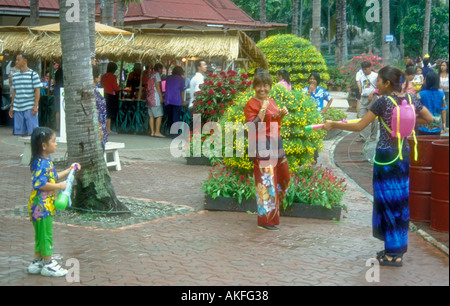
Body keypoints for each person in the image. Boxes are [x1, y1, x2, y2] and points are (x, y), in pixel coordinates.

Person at [324, 66, 433, 267]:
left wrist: (333, 124)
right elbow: (430, 118)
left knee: (387, 201)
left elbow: (358, 126)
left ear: (388, 83)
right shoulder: (410, 99)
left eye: (379, 82)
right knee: (399, 200)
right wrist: (405, 120)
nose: (377, 85)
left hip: (385, 158)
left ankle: (394, 254)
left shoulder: (383, 102)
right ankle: (395, 248)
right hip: (403, 155)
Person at [26, 127, 81, 277]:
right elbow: (40, 184)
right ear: (44, 146)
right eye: (54, 141)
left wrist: (70, 170)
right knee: (46, 235)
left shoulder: (44, 161)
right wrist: (58, 187)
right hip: (41, 207)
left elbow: (53, 176)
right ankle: (49, 264)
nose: (56, 144)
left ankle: (37, 261)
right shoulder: (41, 163)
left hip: (40, 205)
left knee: (40, 234)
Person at [244, 72, 290, 231]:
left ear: (270, 86)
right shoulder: (251, 104)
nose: (262, 89)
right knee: (267, 181)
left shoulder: (271, 101)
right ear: (254, 87)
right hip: (261, 145)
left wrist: (280, 115)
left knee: (283, 178)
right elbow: (252, 127)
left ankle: (275, 210)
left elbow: (274, 121)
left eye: (265, 85)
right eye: (258, 85)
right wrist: (262, 110)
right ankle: (266, 221)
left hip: (275, 143)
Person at [8, 52, 42, 136]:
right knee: (21, 133)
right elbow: (14, 91)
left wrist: (35, 105)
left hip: (29, 107)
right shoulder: (15, 75)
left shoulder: (33, 74)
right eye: (16, 60)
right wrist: (12, 106)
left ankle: (35, 148)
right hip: (18, 107)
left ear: (25, 61)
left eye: (18, 60)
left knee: (33, 133)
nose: (16, 62)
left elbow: (37, 90)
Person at [356, 61, 378, 142]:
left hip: (373, 98)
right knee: (361, 117)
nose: (365, 71)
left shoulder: (376, 76)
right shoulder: (362, 77)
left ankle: (373, 136)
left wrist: (373, 93)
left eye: (366, 69)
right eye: (363, 69)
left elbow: (379, 87)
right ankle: (362, 136)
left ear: (370, 67)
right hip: (363, 98)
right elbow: (362, 87)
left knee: (374, 118)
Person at [165, 66, 186, 134]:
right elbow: (182, 91)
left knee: (170, 117)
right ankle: (174, 134)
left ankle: (170, 131)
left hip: (168, 100)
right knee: (176, 117)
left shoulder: (168, 78)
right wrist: (183, 101)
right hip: (176, 100)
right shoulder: (181, 79)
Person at [101, 62, 121, 134]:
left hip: (103, 94)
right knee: (109, 112)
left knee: (104, 111)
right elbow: (115, 87)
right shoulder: (113, 77)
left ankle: (105, 128)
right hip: (110, 95)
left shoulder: (103, 76)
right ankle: (108, 129)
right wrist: (120, 88)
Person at [189, 59, 208, 128]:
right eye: (204, 65)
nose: (206, 66)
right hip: (196, 106)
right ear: (199, 67)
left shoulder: (196, 77)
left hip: (193, 105)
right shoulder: (199, 78)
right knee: (196, 130)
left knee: (194, 129)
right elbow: (198, 93)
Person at [147, 63, 164, 137]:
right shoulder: (157, 75)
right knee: (159, 115)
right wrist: (161, 96)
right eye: (161, 69)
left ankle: (152, 132)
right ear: (159, 69)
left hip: (149, 97)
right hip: (155, 97)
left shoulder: (151, 75)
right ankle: (157, 132)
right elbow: (157, 86)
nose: (162, 71)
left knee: (151, 116)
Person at [93, 65, 107, 149]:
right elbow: (95, 112)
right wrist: (99, 128)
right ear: (95, 77)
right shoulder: (93, 92)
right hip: (98, 127)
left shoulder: (95, 89)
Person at [438, 61, 449, 128]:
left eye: (444, 65)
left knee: (447, 109)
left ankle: (446, 124)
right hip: (440, 93)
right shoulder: (438, 75)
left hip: (447, 93)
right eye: (442, 65)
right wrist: (440, 85)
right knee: (440, 109)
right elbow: (436, 82)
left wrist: (447, 87)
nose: (442, 67)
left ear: (447, 67)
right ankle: (440, 124)